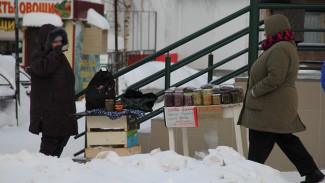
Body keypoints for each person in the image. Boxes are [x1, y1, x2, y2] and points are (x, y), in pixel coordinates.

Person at [237, 14, 324, 183]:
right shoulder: (280, 46)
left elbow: (275, 77)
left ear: (275, 28)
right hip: (273, 106)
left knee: (260, 139)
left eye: (267, 30)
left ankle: (250, 176)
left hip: (270, 106)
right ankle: (313, 173)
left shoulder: (281, 48)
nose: (264, 34)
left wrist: (255, 91)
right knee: (284, 139)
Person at [29, 24, 78, 157]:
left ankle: (52, 172)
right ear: (47, 41)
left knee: (61, 142)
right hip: (50, 112)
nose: (58, 44)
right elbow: (44, 69)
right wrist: (56, 53)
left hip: (64, 110)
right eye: (55, 42)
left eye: (60, 42)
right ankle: (41, 173)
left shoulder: (59, 57)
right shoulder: (38, 56)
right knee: (48, 148)